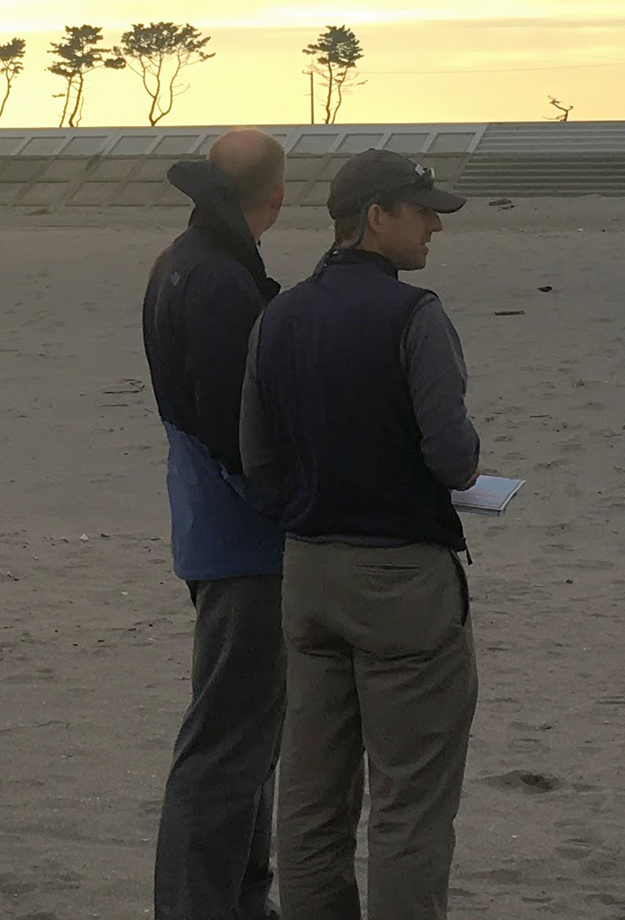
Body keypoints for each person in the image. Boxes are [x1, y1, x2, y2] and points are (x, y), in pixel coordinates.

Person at [240, 149, 481, 920]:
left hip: (309, 570)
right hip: (402, 577)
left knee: (312, 803)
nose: (435, 224)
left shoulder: (278, 314)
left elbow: (257, 457)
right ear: (377, 218)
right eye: (422, 211)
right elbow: (453, 457)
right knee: (410, 804)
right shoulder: (416, 314)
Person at [142, 126, 290, 920]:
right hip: (240, 537)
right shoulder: (219, 277)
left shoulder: (179, 261)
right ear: (274, 196)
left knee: (247, 735)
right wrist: (287, 501)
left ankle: (242, 897)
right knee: (227, 742)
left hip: (209, 526)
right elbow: (236, 427)